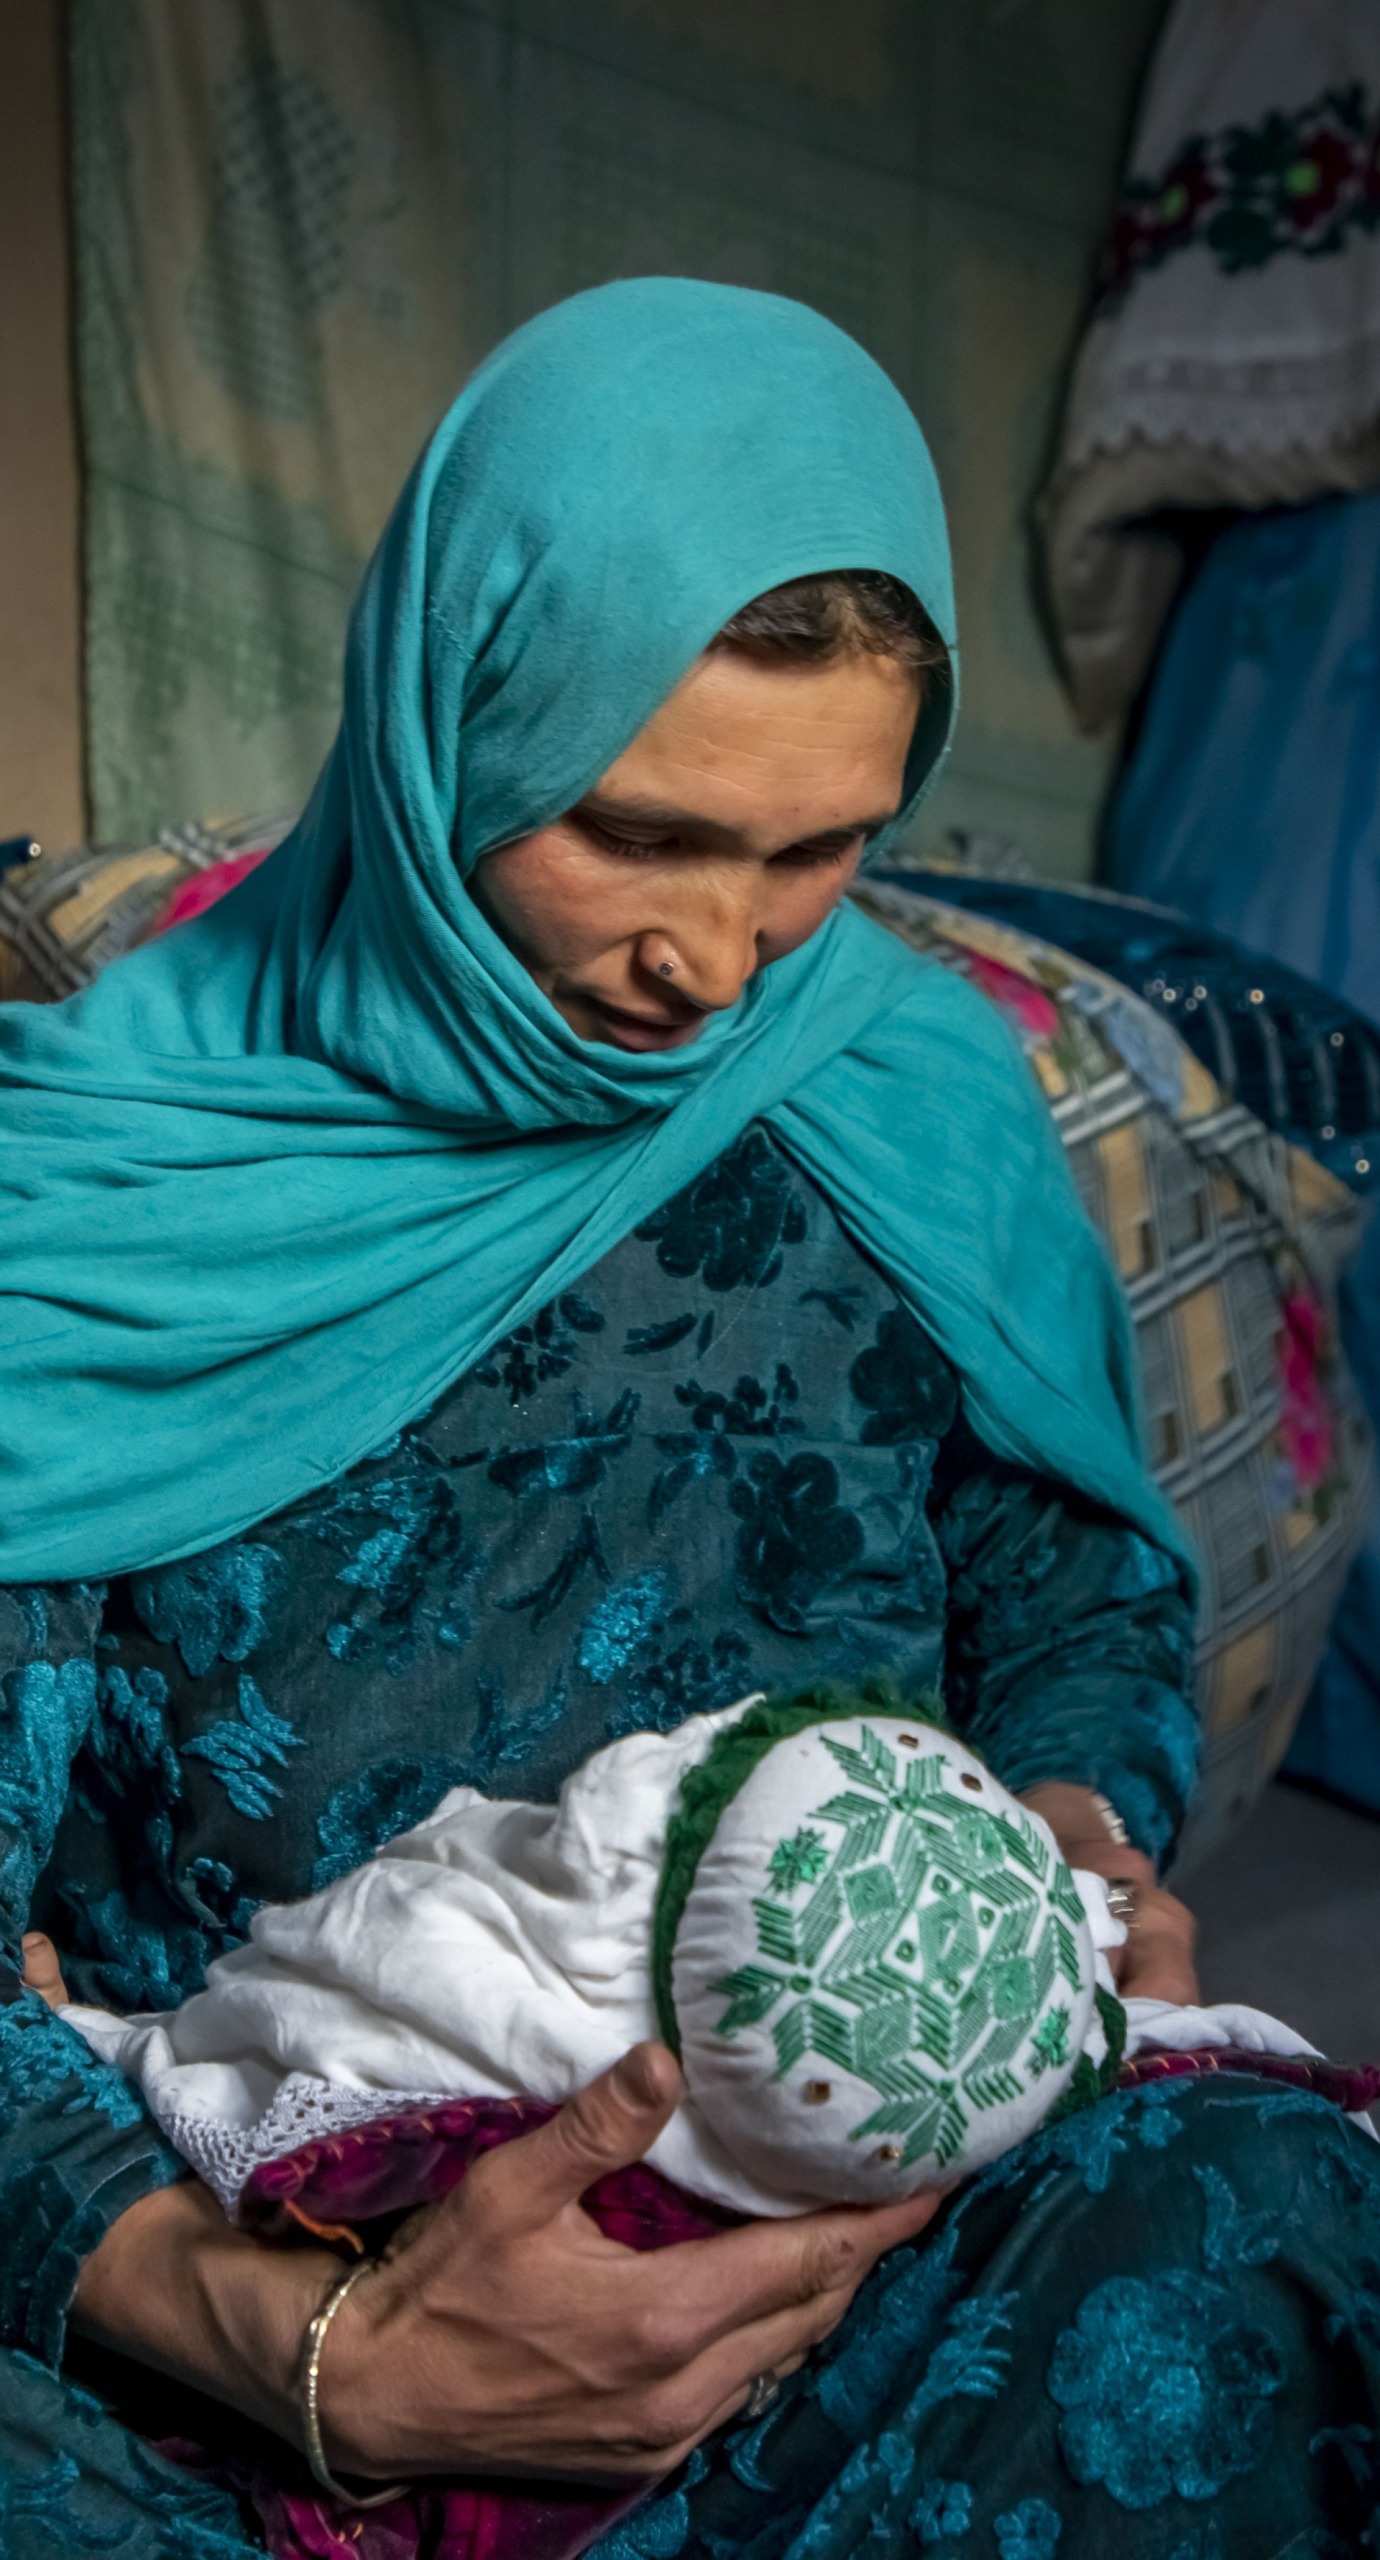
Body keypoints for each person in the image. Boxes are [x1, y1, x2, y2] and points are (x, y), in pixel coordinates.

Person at [0, 280, 1374, 2560]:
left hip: (871, 2250)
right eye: (638, 831)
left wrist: (1067, 1834)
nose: (719, 964)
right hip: (298, 2275)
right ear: (451, 725)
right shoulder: (96, 1201)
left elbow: (1067, 1580)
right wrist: (320, 2353)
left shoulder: (902, 1096)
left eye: (817, 845)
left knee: (1288, 2209)